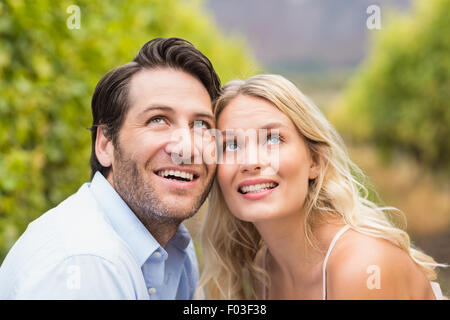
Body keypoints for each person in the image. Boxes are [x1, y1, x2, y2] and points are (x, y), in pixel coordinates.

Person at [0, 37, 220, 299]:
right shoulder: (86, 266)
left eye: (202, 125)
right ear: (105, 144)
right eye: (158, 119)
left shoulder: (174, 250)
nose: (188, 148)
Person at [197, 74, 446, 300]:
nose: (250, 162)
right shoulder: (263, 268)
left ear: (315, 161)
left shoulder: (361, 268)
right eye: (230, 145)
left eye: (272, 139)